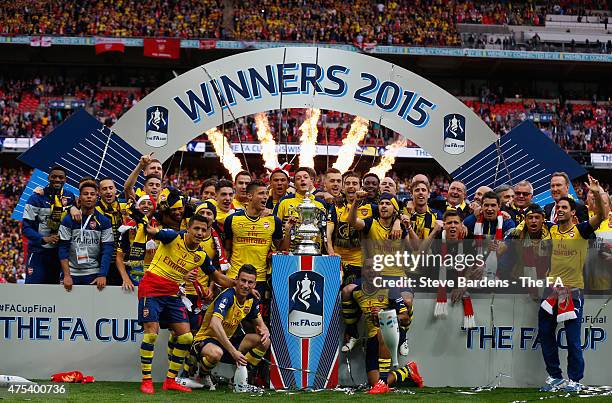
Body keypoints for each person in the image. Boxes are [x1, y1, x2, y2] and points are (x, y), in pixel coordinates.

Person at [138, 214, 235, 394]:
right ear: (188, 229)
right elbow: (154, 232)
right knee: (151, 334)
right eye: (196, 228)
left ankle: (170, 380)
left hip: (172, 293)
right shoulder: (173, 237)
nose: (199, 232)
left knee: (186, 337)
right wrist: (149, 228)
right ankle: (146, 380)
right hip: (151, 288)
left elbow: (217, 277)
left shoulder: (201, 256)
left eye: (203, 230)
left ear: (207, 233)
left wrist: (237, 284)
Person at [538, 175, 605, 392]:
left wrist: (595, 191)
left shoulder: (582, 231)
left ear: (573, 212)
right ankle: (555, 377)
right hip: (550, 292)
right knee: (546, 335)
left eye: (565, 207)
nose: (560, 210)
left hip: (572, 292)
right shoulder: (550, 230)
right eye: (558, 207)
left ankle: (574, 380)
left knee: (573, 341)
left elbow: (602, 216)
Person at [192, 264, 270, 393]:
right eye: (243, 280)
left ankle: (240, 379)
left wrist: (264, 330)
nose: (246, 285)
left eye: (250, 282)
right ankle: (203, 374)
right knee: (216, 353)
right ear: (236, 280)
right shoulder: (227, 296)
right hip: (206, 340)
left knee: (264, 341)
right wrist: (234, 352)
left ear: (254, 285)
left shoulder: (251, 300)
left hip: (227, 342)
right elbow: (214, 324)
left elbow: (261, 324)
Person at [351, 263, 423, 394]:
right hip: (372, 338)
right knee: (373, 383)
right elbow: (353, 313)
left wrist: (384, 314)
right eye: (368, 267)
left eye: (375, 267)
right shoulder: (356, 292)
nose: (372, 271)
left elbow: (405, 316)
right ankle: (408, 370)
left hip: (392, 334)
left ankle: (383, 382)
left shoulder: (391, 290)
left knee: (382, 331)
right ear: (362, 271)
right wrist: (350, 330)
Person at [224, 180, 287, 322]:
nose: (266, 197)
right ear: (250, 196)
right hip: (235, 278)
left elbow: (281, 249)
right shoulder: (232, 220)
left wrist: (288, 230)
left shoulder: (274, 221)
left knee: (256, 324)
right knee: (231, 321)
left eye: (266, 194)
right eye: (261, 193)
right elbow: (227, 250)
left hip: (259, 280)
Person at [23, 166, 76, 284]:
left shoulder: (70, 197)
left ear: (65, 180)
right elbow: (26, 228)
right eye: (54, 176)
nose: (57, 179)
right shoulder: (35, 199)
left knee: (55, 290)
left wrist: (73, 207)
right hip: (39, 252)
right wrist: (43, 239)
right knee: (34, 287)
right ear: (48, 178)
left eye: (61, 177)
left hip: (60, 253)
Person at [58, 179, 114, 291]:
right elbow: (63, 248)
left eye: (92, 194)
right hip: (71, 273)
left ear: (97, 198)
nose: (89, 197)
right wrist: (67, 275)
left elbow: (107, 250)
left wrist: (102, 274)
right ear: (79, 198)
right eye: (85, 194)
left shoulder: (104, 221)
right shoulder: (68, 220)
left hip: (93, 273)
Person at [273, 167, 327, 249]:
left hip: (313, 251)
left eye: (305, 177)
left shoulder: (320, 204)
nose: (302, 180)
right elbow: (275, 228)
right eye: (298, 178)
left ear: (311, 181)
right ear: (294, 184)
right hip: (288, 252)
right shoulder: (284, 202)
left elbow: (324, 231)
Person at [116, 195, 157, 289]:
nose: (146, 206)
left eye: (149, 204)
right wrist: (125, 278)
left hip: (156, 277)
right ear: (138, 207)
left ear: (154, 208)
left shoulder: (160, 228)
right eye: (142, 203)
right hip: (134, 278)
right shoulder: (127, 228)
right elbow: (119, 257)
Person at [96, 177, 127, 286]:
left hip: (123, 262)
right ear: (99, 192)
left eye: (110, 188)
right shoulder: (94, 209)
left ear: (116, 190)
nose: (108, 191)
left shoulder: (124, 206)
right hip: (102, 262)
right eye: (104, 189)